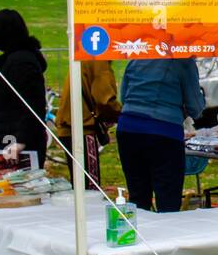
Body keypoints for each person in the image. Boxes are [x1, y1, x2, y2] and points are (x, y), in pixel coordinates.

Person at [115, 58, 205, 213]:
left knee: (137, 195)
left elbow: (123, 97)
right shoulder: (183, 61)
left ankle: (136, 233)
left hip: (128, 129)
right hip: (163, 132)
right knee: (168, 197)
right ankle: (166, 235)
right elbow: (195, 107)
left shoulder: (137, 59)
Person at [0, 9, 48, 166]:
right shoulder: (7, 61)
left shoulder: (21, 62)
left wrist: (21, 141)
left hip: (17, 143)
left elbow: (33, 104)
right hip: (3, 138)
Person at [57, 60, 121, 189]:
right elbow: (104, 98)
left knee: (81, 185)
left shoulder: (84, 56)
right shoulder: (99, 59)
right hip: (82, 127)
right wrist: (120, 114)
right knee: (89, 189)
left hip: (72, 124)